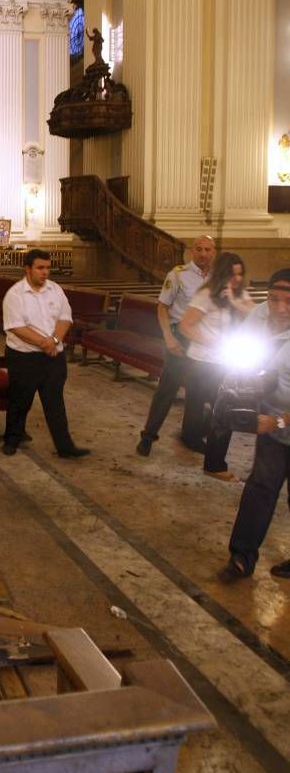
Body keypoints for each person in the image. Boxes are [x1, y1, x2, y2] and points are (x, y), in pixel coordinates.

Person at [222, 270, 290, 580]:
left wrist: (277, 421)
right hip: (273, 417)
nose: (280, 308)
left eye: (289, 302)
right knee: (261, 488)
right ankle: (242, 556)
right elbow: (239, 353)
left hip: (277, 419)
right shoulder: (260, 315)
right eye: (274, 299)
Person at [2, 249, 89, 459]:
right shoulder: (15, 294)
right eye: (40, 268)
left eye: (48, 268)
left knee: (55, 402)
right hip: (24, 357)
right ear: (28, 269)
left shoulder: (55, 290)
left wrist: (55, 341)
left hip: (53, 357)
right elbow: (16, 326)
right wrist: (43, 342)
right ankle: (12, 440)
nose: (45, 272)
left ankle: (65, 447)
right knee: (20, 401)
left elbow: (65, 318)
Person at [135, 235, 216, 457]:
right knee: (167, 389)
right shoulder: (178, 275)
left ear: (214, 252)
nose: (203, 253)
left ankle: (192, 436)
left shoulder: (218, 279)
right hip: (180, 337)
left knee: (199, 391)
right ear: (192, 251)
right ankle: (148, 437)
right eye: (198, 249)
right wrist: (168, 338)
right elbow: (162, 307)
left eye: (207, 249)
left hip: (204, 340)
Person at [179, 252, 254, 479]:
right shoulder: (206, 295)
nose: (237, 279)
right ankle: (212, 462)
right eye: (232, 274)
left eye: (240, 274)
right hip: (203, 361)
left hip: (227, 362)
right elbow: (185, 326)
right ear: (223, 274)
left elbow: (255, 314)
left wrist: (232, 300)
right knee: (205, 408)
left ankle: (209, 455)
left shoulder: (240, 296)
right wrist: (212, 342)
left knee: (222, 412)